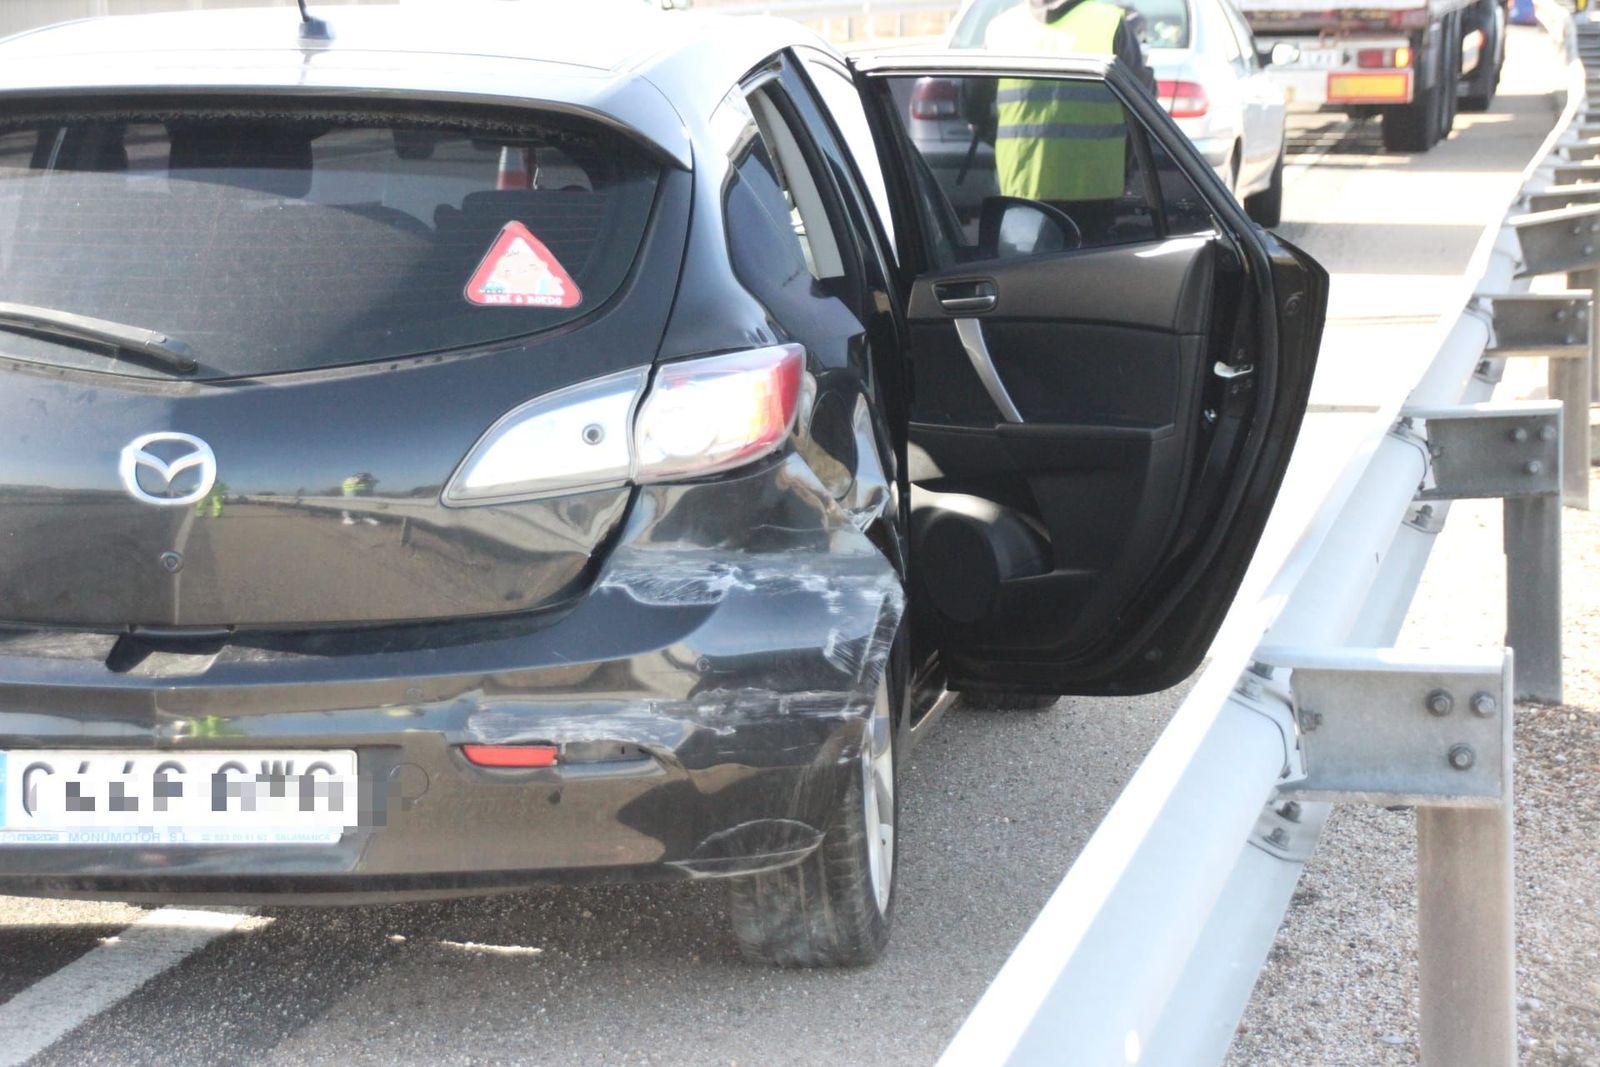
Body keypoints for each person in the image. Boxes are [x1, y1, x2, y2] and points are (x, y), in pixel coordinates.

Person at [981, 0, 1158, 236]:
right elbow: (1142, 102)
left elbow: (973, 104)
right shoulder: (1110, 22)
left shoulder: (1002, 28)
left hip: (1021, 184)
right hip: (1095, 187)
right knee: (1086, 270)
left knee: (1021, 269)